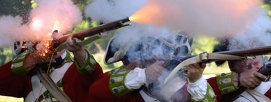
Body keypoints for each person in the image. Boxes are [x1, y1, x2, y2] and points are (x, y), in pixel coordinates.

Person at [89, 33, 217, 102]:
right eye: (151, 59)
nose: (159, 61)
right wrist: (143, 75)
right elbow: (95, 92)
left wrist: (196, 81)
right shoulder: (127, 89)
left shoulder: (183, 88)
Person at [0, 36, 103, 102]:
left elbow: (94, 76)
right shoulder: (26, 77)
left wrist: (79, 52)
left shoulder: (77, 69)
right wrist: (34, 58)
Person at [207, 40, 271, 102]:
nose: (252, 68)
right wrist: (237, 79)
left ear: (263, 60)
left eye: (256, 63)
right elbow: (198, 89)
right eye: (247, 66)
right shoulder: (223, 90)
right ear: (231, 67)